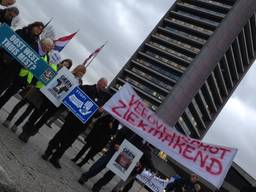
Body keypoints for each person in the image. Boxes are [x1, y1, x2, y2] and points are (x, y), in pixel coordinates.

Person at [41, 78, 110, 169]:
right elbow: (73, 99)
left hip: (82, 124)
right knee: (61, 135)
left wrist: (100, 111)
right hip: (72, 118)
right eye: (103, 85)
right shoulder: (86, 88)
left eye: (105, 86)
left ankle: (56, 157)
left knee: (69, 141)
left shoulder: (102, 98)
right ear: (99, 82)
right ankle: (48, 152)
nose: (104, 87)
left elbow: (95, 115)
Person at [2, 59, 73, 132]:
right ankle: (8, 119)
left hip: (44, 94)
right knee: (21, 103)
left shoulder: (63, 76)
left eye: (68, 66)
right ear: (62, 62)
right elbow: (42, 74)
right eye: (66, 63)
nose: (66, 65)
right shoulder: (53, 66)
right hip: (37, 88)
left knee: (28, 110)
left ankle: (16, 125)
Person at [78, 128, 146, 191]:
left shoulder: (147, 138)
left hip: (128, 156)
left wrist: (137, 159)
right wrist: (117, 143)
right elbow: (121, 133)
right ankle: (86, 176)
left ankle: (98, 186)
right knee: (101, 164)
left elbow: (142, 150)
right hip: (117, 149)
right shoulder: (134, 126)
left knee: (112, 173)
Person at [0, 21, 44, 97]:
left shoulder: (35, 44)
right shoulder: (21, 32)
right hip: (2, 61)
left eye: (40, 30)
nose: (38, 30)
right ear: (33, 26)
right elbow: (6, 41)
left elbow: (30, 60)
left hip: (13, 70)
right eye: (37, 27)